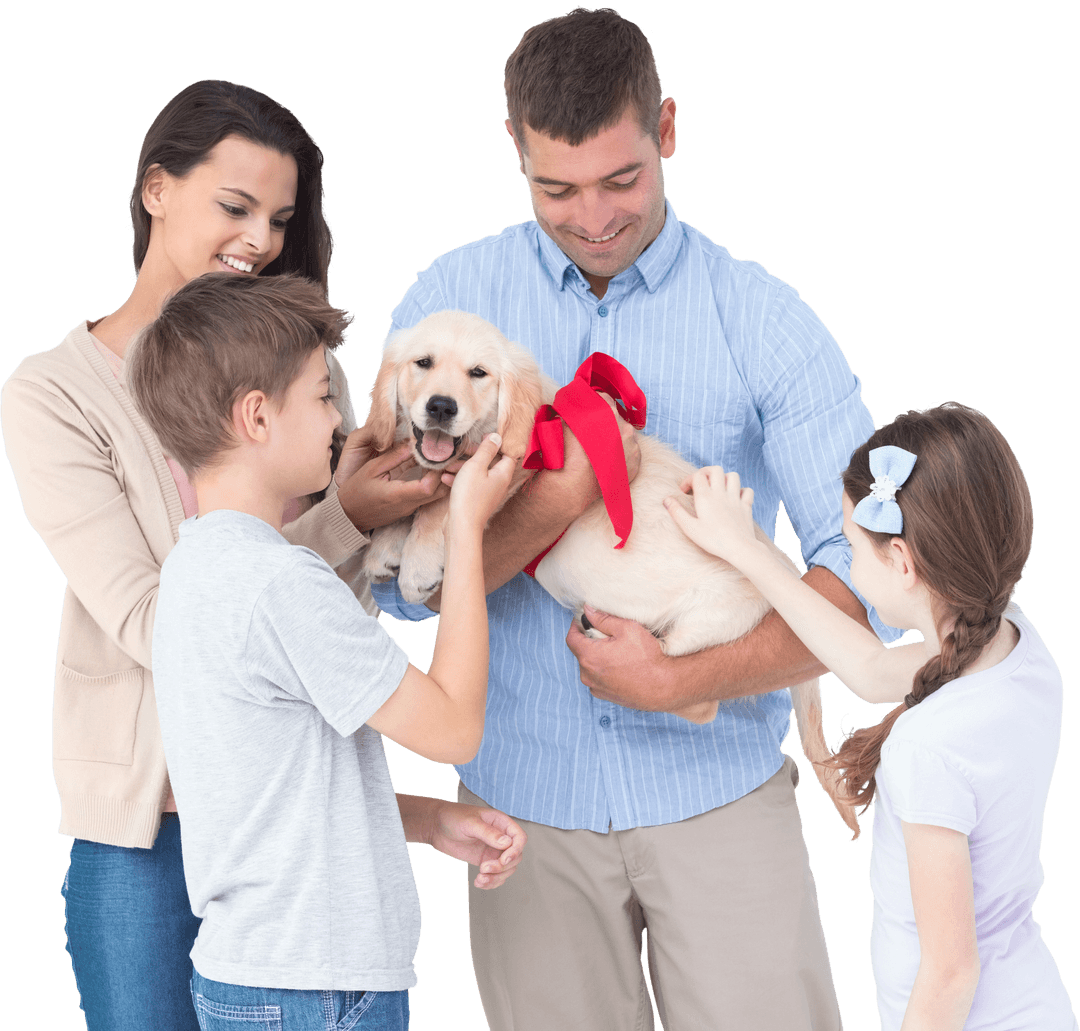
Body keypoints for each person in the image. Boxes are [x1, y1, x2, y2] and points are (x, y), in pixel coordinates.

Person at [371, 8, 896, 1028]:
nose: (594, 215)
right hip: (521, 807)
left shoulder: (765, 321)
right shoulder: (450, 309)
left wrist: (683, 680)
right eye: (556, 187)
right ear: (514, 147)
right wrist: (552, 503)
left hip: (721, 792)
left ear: (666, 128)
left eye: (621, 179)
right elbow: (397, 584)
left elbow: (867, 579)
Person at [0, 79, 506, 1031]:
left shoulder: (301, 366)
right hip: (147, 834)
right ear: (156, 188)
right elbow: (171, 620)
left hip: (304, 830)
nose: (262, 241)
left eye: (279, 217)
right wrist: (349, 515)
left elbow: (341, 631)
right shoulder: (52, 394)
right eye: (235, 207)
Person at [127, 272, 522, 1031]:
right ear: (255, 416)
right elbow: (452, 728)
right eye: (319, 396)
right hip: (315, 990)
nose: (341, 417)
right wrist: (466, 525)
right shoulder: (281, 583)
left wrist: (428, 821)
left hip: (260, 975)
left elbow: (265, 794)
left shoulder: (196, 569)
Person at [667, 402, 1077, 1031]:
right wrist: (748, 553)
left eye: (852, 549)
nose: (849, 570)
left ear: (902, 564)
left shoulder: (926, 748)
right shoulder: (1018, 646)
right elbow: (864, 666)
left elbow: (950, 972)